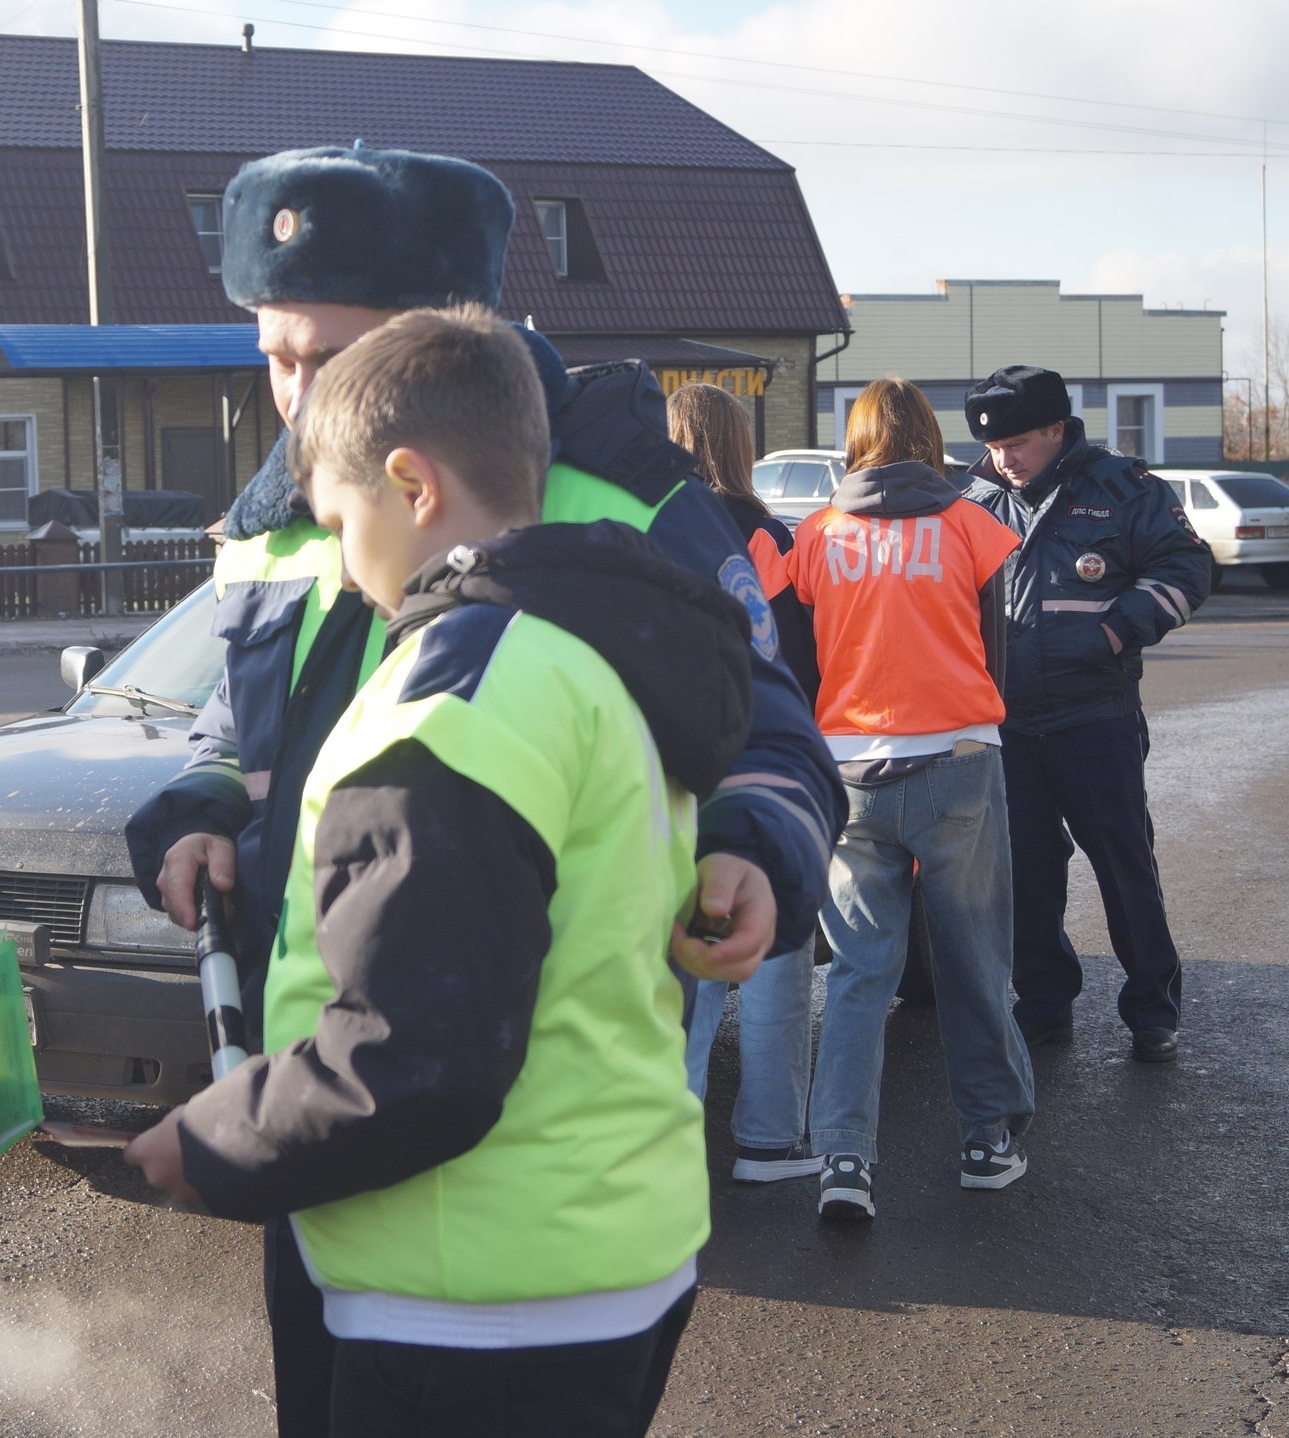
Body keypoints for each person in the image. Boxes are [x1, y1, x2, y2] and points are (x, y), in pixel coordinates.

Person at [121, 145, 841, 1436]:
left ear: (452, 337)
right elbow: (250, 707)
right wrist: (205, 805)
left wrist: (752, 847)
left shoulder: (621, 497)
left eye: (333, 356)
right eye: (276, 354)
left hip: (497, 1156)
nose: (299, 398)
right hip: (328, 1106)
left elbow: (765, 718)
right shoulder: (287, 502)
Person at [767, 378, 1037, 1221]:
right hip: (958, 756)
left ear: (853, 444)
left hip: (849, 774)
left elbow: (798, 657)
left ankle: (844, 1158)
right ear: (928, 437)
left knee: (856, 973)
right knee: (972, 961)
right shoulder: (971, 525)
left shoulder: (815, 533)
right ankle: (988, 1141)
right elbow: (994, 651)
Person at [958, 366, 1209, 1064]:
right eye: (993, 445)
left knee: (1124, 869)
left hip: (1095, 714)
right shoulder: (968, 499)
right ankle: (1042, 1005)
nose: (1002, 457)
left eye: (1016, 442)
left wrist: (1114, 631)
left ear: (1056, 429)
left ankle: (1153, 1009)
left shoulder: (1124, 488)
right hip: (1005, 722)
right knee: (1027, 874)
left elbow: (1188, 569)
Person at [665, 382, 821, 1184]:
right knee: (771, 967)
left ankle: (669, 1150)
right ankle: (767, 1143)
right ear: (739, 442)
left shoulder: (648, 523)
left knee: (684, 969)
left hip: (673, 772)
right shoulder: (763, 533)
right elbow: (788, 657)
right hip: (754, 766)